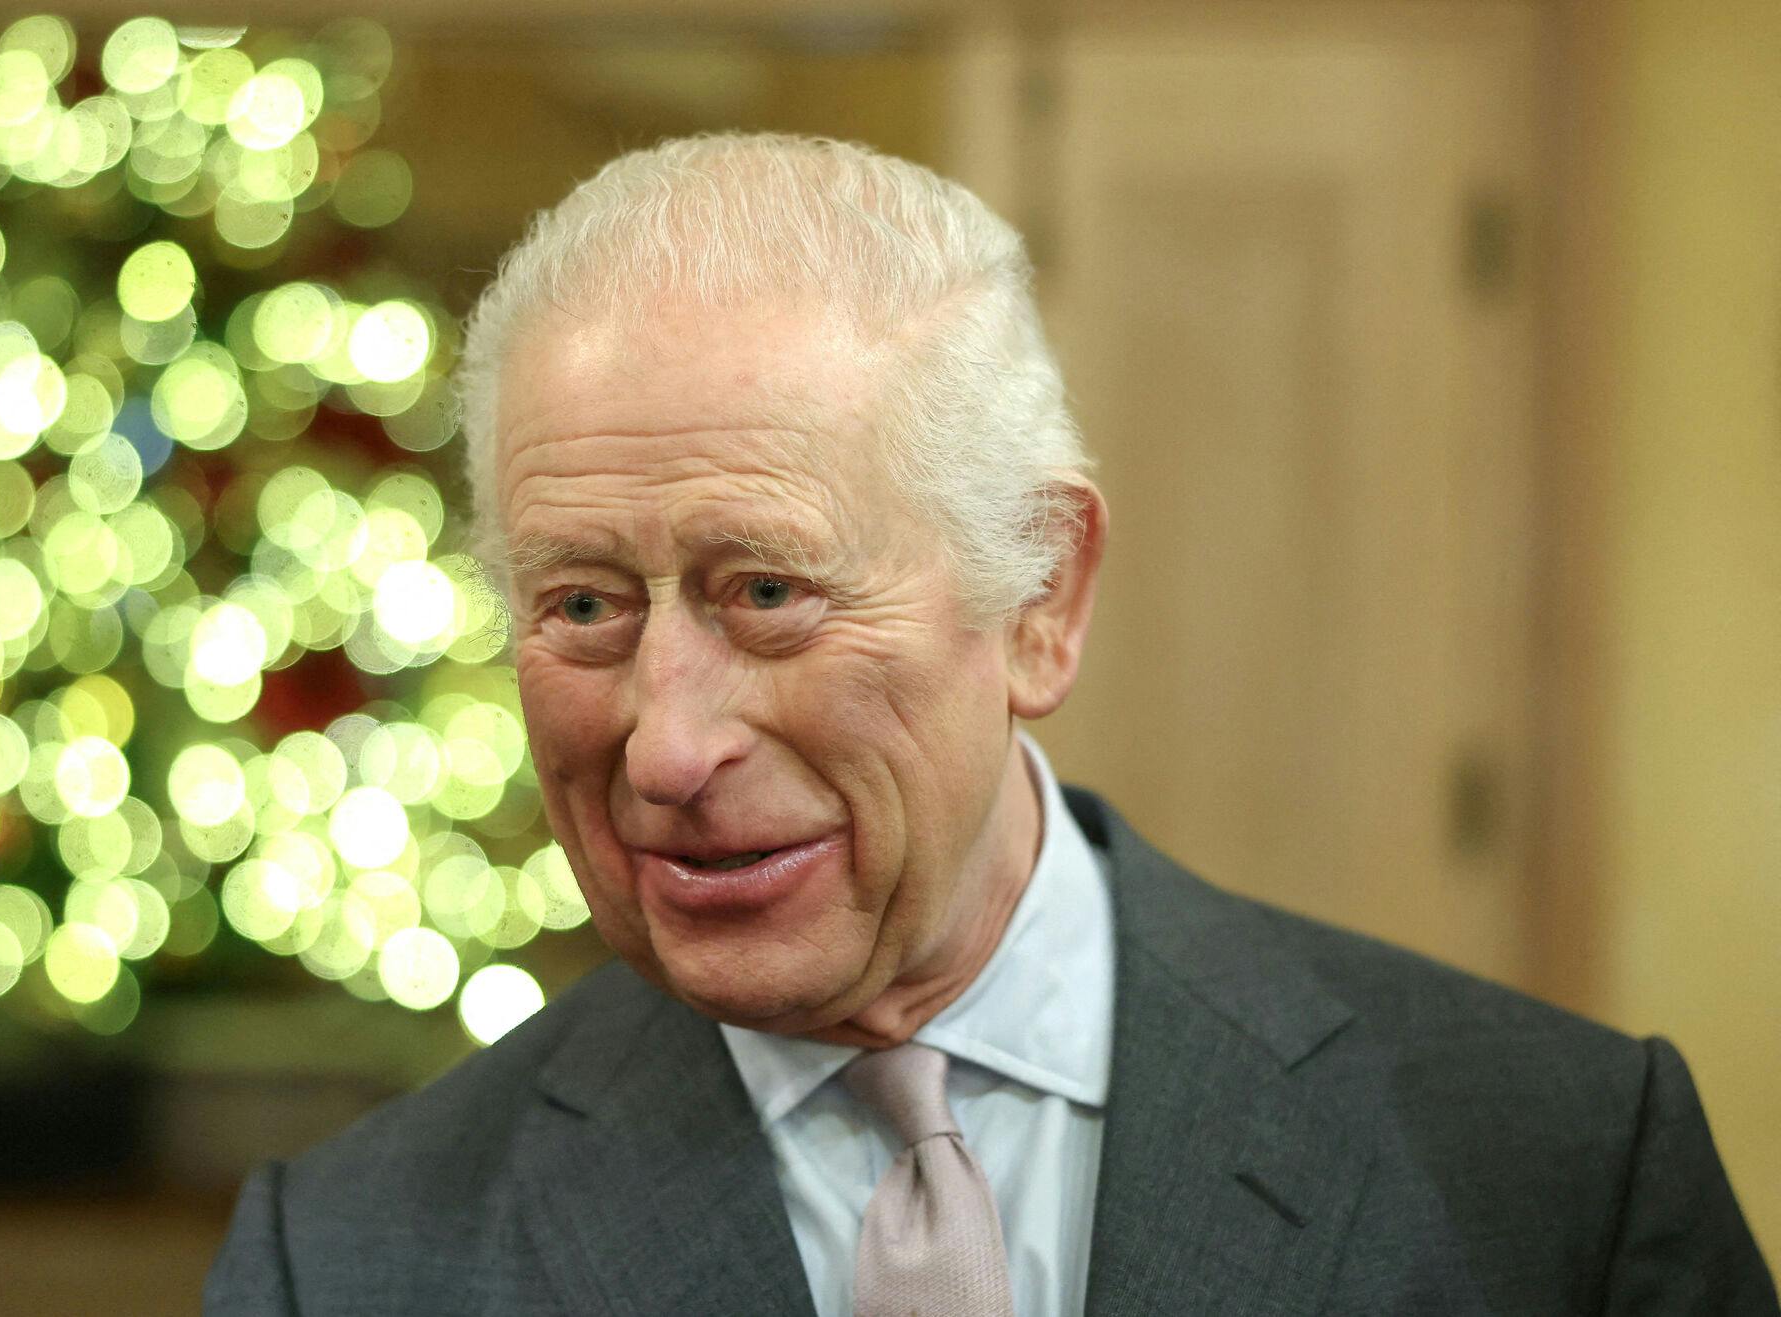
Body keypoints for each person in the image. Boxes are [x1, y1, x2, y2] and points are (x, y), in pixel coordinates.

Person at [206, 133, 1776, 1316]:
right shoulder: (347, 1260)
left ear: (1041, 597)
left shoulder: (1554, 1167)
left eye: (766, 590)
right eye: (586, 608)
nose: (667, 751)